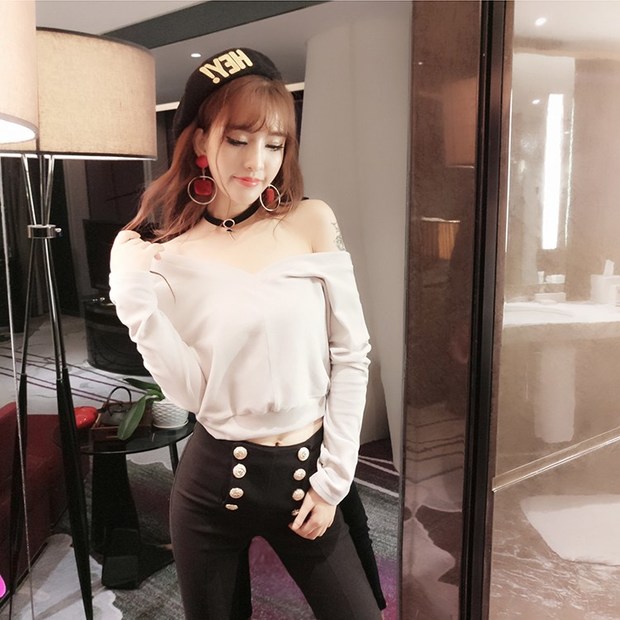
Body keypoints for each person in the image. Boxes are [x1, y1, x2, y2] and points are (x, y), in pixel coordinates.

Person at [109, 47, 385, 619]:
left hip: (308, 475)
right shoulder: (169, 254)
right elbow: (191, 396)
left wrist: (333, 481)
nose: (258, 163)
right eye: (238, 139)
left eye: (274, 144)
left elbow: (352, 355)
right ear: (200, 140)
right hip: (212, 482)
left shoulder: (311, 221)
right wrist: (136, 300)